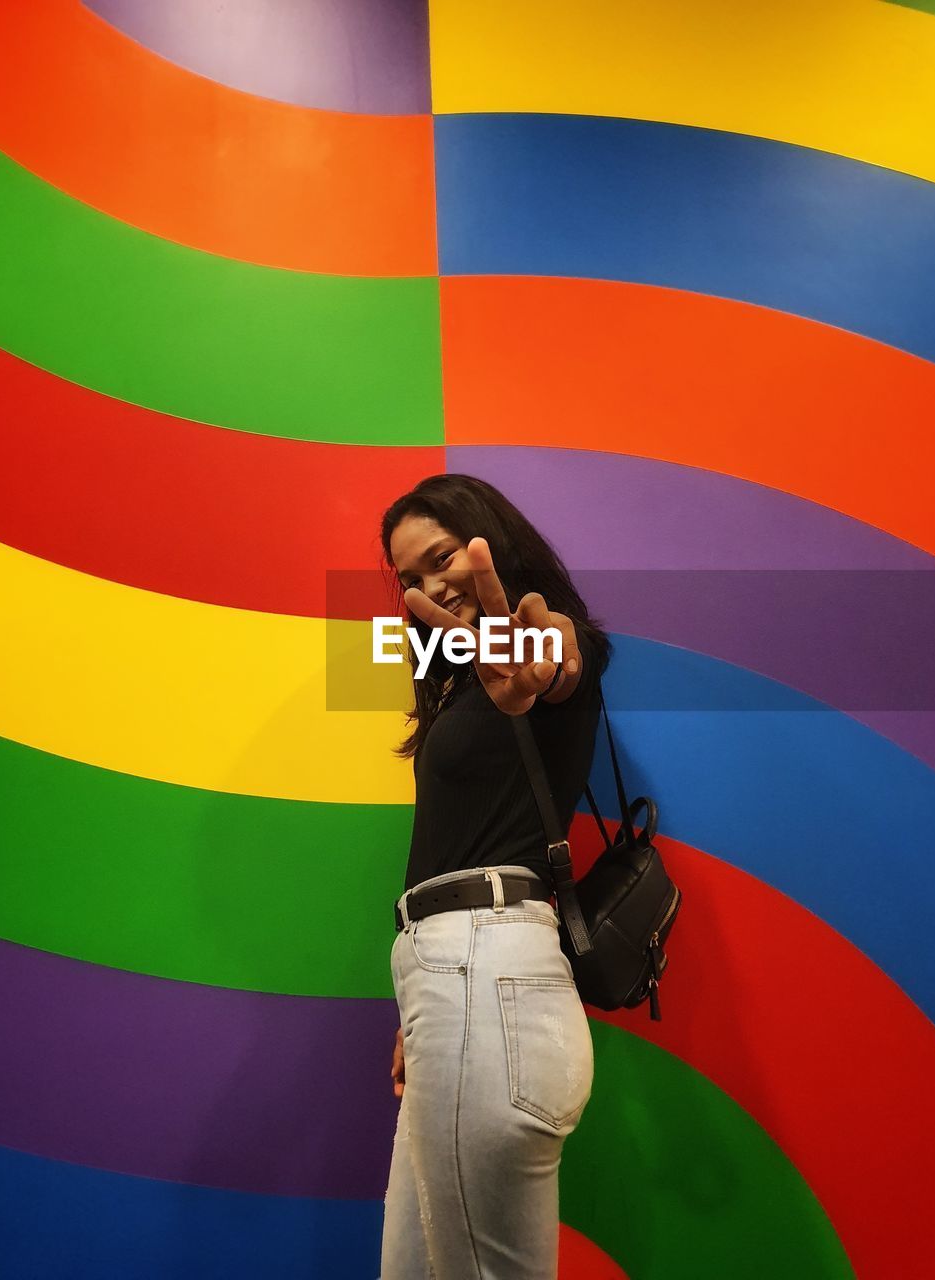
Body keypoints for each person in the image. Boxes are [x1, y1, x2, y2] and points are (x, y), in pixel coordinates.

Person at [378, 474, 611, 1280]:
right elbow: (445, 843)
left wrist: (540, 659)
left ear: (485, 538)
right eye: (408, 578)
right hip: (453, 991)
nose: (427, 585)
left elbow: (562, 662)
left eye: (439, 557)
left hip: (487, 976)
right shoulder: (455, 682)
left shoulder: (546, 642)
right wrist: (420, 1007)